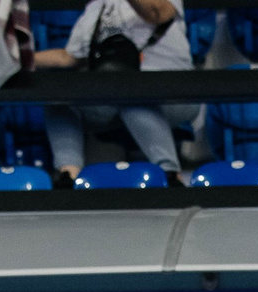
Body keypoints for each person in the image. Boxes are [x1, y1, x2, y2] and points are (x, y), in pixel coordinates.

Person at [34, 0, 193, 183]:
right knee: (60, 100)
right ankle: (69, 175)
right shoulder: (96, 7)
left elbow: (157, 13)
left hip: (171, 89)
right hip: (112, 93)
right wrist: (19, 59)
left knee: (132, 95)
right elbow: (68, 57)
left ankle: (170, 175)